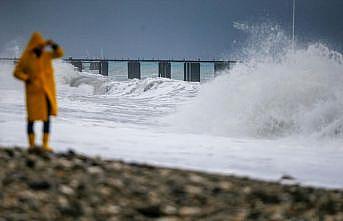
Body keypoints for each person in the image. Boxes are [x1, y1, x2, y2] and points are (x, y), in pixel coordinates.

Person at [13, 32, 64, 152]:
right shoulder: (26, 58)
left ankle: (45, 144)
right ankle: (31, 145)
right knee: (31, 119)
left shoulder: (46, 56)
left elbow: (59, 53)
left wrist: (53, 45)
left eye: (42, 46)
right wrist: (26, 78)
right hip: (33, 93)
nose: (41, 48)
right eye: (38, 45)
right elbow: (16, 72)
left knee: (46, 118)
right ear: (33, 46)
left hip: (46, 92)